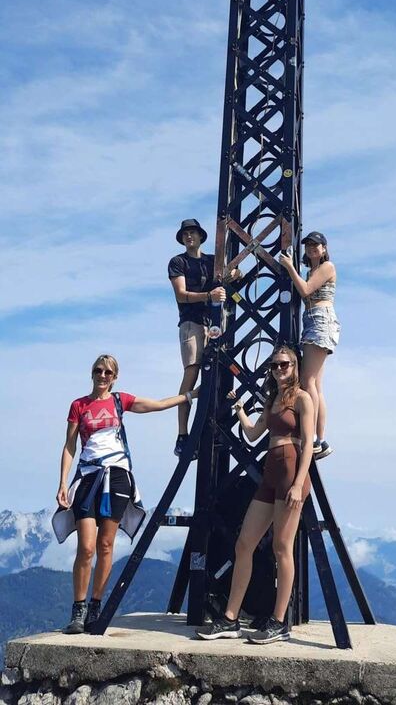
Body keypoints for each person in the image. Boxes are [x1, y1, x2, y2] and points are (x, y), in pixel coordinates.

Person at [53, 353, 194, 635]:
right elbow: (70, 445)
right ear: (92, 373)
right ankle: (78, 610)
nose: (103, 376)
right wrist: (63, 482)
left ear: (115, 377)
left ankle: (96, 606)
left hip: (117, 477)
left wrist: (190, 395)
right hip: (88, 475)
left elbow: (157, 405)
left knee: (106, 544)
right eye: (98, 370)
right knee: (86, 547)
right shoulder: (79, 405)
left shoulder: (120, 401)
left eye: (108, 372)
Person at [196, 345, 314, 645]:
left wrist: (299, 483)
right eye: (274, 365)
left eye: (284, 364)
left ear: (295, 366)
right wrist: (239, 410)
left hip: (290, 470)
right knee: (244, 543)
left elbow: (308, 444)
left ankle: (279, 622)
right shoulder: (273, 400)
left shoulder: (302, 399)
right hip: (270, 471)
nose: (279, 369)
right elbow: (252, 434)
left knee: (282, 547)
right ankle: (230, 618)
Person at [167, 218, 226, 458]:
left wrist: (235, 273)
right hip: (191, 323)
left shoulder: (211, 262)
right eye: (185, 234)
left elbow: (228, 274)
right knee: (192, 372)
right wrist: (209, 295)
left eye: (192, 232)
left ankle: (211, 428)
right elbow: (181, 295)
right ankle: (182, 435)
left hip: (213, 325)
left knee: (216, 373)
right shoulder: (178, 262)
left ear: (201, 236)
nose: (189, 236)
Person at [279, 231, 339, 460]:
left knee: (307, 381)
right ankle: (320, 439)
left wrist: (289, 267)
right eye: (308, 245)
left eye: (316, 245)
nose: (312, 248)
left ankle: (312, 436)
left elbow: (305, 290)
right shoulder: (311, 272)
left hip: (320, 319)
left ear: (324, 248)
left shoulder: (327, 267)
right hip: (313, 319)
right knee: (315, 384)